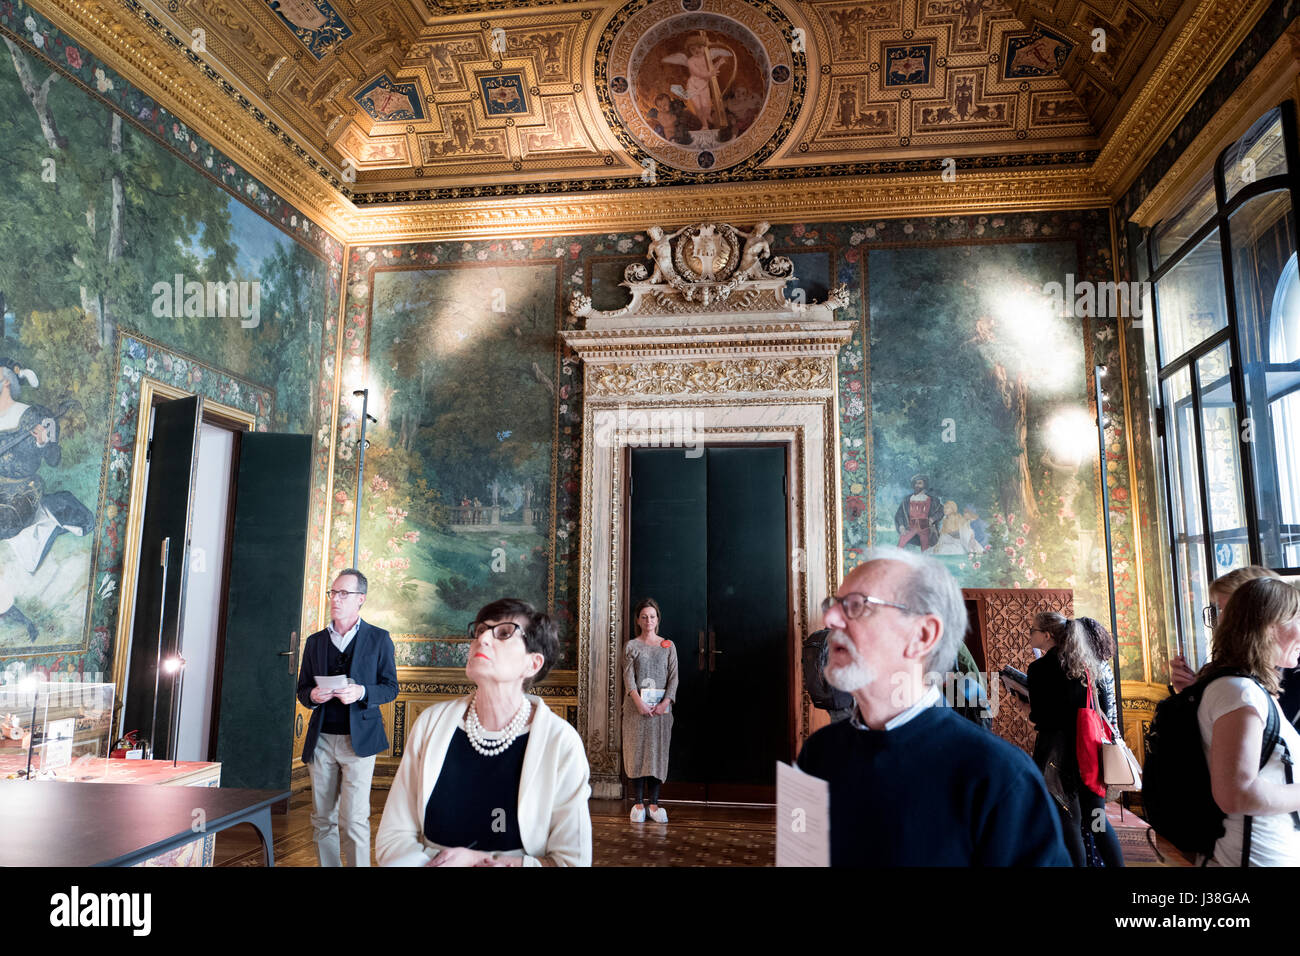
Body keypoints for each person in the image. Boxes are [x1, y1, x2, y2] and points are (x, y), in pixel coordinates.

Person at [796, 546, 1070, 865]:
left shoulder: (1001, 777)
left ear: (922, 635)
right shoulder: (816, 753)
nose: (830, 618)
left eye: (855, 605)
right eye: (834, 605)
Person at [376, 598, 591, 866]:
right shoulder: (430, 724)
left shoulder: (561, 742)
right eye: (480, 631)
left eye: (503, 633)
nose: (483, 638)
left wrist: (480, 860)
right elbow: (393, 838)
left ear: (533, 664)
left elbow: (571, 861)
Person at [296, 569, 398, 867]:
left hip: (360, 742)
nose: (335, 599)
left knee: (353, 819)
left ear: (360, 600)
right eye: (333, 592)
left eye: (344, 594)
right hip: (322, 739)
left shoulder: (379, 639)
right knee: (322, 819)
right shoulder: (315, 641)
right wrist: (313, 696)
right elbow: (303, 689)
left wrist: (362, 692)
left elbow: (391, 688)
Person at [1196, 576, 1300, 865]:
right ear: (1269, 626)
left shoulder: (1248, 689)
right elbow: (1236, 795)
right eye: (1299, 618)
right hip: (1250, 858)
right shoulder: (1240, 692)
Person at [1024, 612, 1124, 867]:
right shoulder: (1087, 665)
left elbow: (1040, 717)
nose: (1030, 634)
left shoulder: (1038, 669)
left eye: (1033, 630)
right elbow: (1100, 708)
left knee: (1069, 823)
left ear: (1047, 635)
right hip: (1090, 752)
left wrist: (1023, 709)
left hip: (1056, 756)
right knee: (1098, 821)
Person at [1169, 568, 1300, 718]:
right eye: (1220, 609)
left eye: (1229, 609)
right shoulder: (1234, 677)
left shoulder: (1288, 671)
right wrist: (1192, 693)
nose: (1221, 620)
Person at [623, 597, 678, 823]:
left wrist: (665, 703)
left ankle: (654, 804)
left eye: (652, 616)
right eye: (644, 617)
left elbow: (674, 677)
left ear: (658, 619)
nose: (648, 620)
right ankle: (638, 803)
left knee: (657, 753)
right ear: (638, 620)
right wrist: (638, 702)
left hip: (661, 712)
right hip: (636, 710)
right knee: (637, 752)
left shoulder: (668, 646)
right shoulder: (631, 646)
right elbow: (628, 678)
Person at [895, 474, 944, 551]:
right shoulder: (907, 500)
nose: (917, 485)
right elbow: (899, 514)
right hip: (910, 527)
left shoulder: (933, 500)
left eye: (919, 483)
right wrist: (901, 526)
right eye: (915, 483)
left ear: (925, 485)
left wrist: (932, 519)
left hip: (925, 528)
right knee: (901, 543)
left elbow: (941, 511)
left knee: (925, 548)